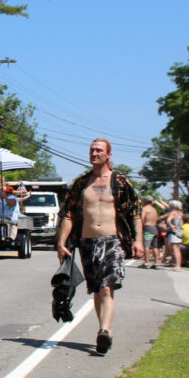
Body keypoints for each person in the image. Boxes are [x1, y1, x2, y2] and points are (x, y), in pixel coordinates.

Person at [56, 138, 143, 355]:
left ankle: (105, 330)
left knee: (107, 287)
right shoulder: (81, 183)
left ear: (108, 155)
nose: (94, 154)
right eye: (92, 150)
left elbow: (135, 213)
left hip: (113, 241)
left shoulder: (120, 181)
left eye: (99, 150)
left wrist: (139, 240)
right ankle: (103, 330)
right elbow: (68, 214)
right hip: (87, 242)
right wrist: (61, 242)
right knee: (96, 289)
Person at [163, 200, 184, 271]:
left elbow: (168, 221)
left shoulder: (173, 212)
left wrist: (171, 226)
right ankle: (178, 264)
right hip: (179, 232)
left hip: (174, 232)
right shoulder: (180, 213)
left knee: (174, 248)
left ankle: (177, 265)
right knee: (178, 248)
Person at [140, 197, 160, 269]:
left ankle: (146, 262)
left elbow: (142, 218)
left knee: (146, 245)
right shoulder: (154, 210)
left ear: (145, 201)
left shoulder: (145, 209)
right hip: (154, 228)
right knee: (155, 246)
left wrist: (140, 228)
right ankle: (156, 262)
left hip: (148, 228)